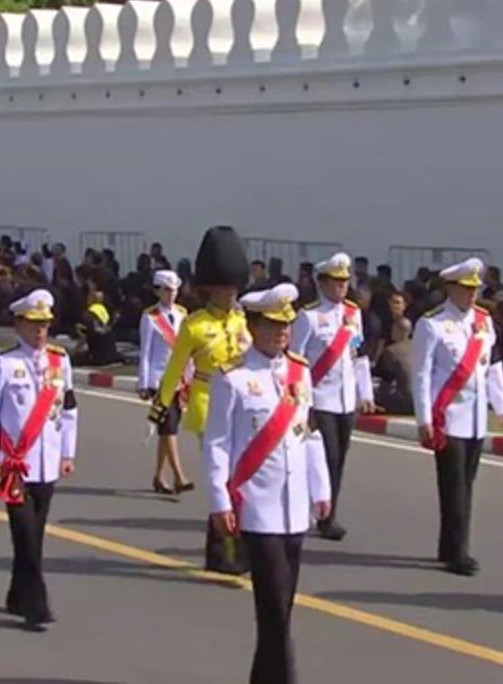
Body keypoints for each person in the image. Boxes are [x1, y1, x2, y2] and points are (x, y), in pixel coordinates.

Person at [203, 282, 331, 684]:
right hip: (257, 507)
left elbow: (309, 434)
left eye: (287, 325)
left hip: (294, 508)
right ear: (253, 325)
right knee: (275, 608)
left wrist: (321, 488)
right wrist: (219, 500)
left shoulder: (300, 372)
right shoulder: (233, 378)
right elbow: (217, 444)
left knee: (281, 611)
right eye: (274, 325)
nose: (282, 333)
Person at [149, 226, 251, 575]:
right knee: (221, 477)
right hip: (208, 402)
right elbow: (176, 368)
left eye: (234, 289)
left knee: (240, 476)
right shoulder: (194, 325)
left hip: (241, 406)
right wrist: (161, 404)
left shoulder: (242, 319)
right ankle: (224, 549)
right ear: (211, 288)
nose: (230, 295)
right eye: (224, 289)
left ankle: (228, 545)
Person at [0, 289, 79, 632]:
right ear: (19, 324)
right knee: (24, 534)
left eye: (45, 324)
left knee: (34, 534)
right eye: (34, 324)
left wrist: (68, 452)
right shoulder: (3, 362)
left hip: (48, 460)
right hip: (15, 463)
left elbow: (68, 410)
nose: (41, 331)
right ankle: (37, 605)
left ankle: (16, 593)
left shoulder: (59, 361)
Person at [411, 257, 503, 576]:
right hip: (447, 415)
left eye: (475, 289)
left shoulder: (483, 321)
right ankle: (459, 552)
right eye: (466, 289)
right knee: (454, 486)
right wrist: (424, 418)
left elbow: (492, 365)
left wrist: (502, 403)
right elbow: (422, 374)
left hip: (476, 417)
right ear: (451, 288)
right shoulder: (432, 324)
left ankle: (449, 545)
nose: (472, 295)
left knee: (467, 483)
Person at [289, 252, 374, 540]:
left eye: (344, 282)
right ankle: (314, 511)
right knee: (322, 459)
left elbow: (359, 355)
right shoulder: (309, 316)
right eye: (335, 282)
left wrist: (366, 392)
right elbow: (296, 360)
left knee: (338, 461)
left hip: (345, 399)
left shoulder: (353, 314)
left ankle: (329, 513)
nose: (341, 287)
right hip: (319, 398)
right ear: (322, 283)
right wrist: (301, 401)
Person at [138, 269, 194, 494]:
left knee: (167, 428)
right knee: (169, 427)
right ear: (158, 291)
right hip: (160, 380)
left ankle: (159, 477)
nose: (172, 295)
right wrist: (143, 383)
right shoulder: (150, 317)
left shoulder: (182, 313)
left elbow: (187, 348)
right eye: (167, 290)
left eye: (175, 290)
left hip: (180, 379)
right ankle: (180, 476)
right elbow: (146, 352)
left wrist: (190, 375)